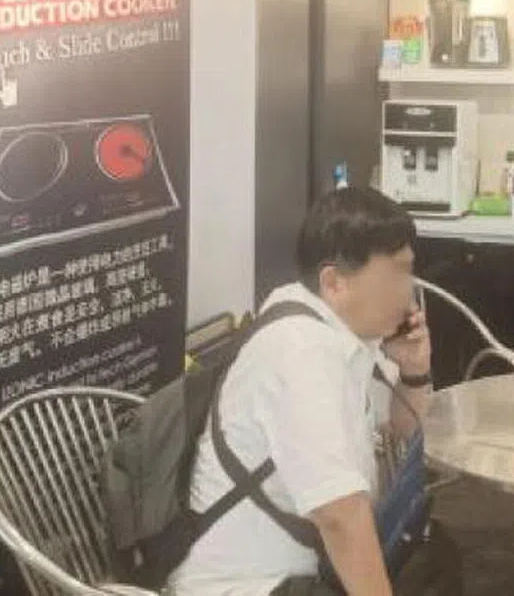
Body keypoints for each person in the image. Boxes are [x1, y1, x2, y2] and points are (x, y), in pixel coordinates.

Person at [169, 187, 433, 596]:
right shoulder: (300, 351)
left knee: (439, 562)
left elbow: (406, 432)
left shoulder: (344, 335)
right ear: (334, 282)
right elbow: (340, 516)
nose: (408, 293)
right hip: (250, 585)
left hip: (310, 569)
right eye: (396, 276)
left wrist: (414, 371)